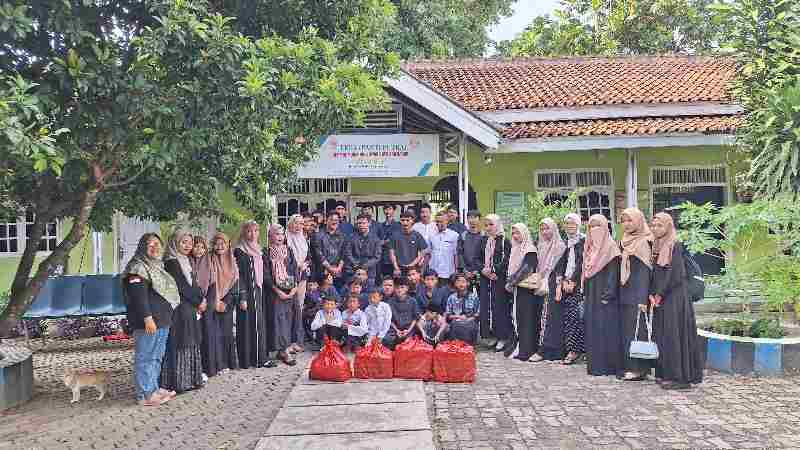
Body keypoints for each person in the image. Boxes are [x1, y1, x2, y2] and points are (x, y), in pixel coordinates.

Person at [650, 212, 704, 390]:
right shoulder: (657, 245)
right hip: (663, 297)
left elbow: (676, 274)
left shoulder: (675, 245)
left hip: (675, 297)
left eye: (660, 225)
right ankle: (667, 373)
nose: (655, 228)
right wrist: (653, 293)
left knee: (675, 335)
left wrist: (659, 293)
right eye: (653, 225)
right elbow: (656, 272)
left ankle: (680, 378)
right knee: (664, 335)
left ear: (668, 227)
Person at [123, 233, 178, 406]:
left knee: (156, 357)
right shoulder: (137, 268)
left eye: (157, 244)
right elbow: (138, 297)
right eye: (150, 244)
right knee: (146, 357)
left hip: (161, 320)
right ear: (142, 247)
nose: (154, 247)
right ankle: (145, 395)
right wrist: (148, 319)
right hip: (148, 322)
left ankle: (153, 388)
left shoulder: (157, 266)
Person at [160, 229, 206, 394]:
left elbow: (194, 284)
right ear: (175, 243)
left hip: (189, 307)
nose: (187, 246)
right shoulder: (171, 262)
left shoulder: (185, 260)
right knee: (182, 341)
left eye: (190, 242)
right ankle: (179, 381)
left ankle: (192, 379)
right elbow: (181, 286)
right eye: (183, 242)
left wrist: (201, 299)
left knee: (190, 341)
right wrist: (199, 301)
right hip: (179, 308)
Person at [582, 214, 623, 377]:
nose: (594, 230)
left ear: (606, 228)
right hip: (592, 295)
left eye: (598, 226)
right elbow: (586, 273)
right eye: (591, 227)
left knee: (605, 330)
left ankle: (607, 366)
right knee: (593, 330)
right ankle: (595, 365)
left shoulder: (611, 247)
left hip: (606, 298)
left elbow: (613, 274)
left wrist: (607, 295)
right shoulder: (589, 248)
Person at [196, 232, 241, 377]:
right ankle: (215, 365)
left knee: (226, 334)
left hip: (226, 303)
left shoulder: (232, 260)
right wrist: (214, 300)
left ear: (228, 245)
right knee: (213, 335)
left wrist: (225, 302)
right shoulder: (208, 259)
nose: (220, 246)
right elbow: (207, 281)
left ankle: (227, 363)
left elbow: (235, 283)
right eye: (216, 243)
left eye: (223, 243)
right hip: (211, 302)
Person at [234, 221, 278, 369]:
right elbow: (238, 276)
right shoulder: (239, 251)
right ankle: (249, 359)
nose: (252, 234)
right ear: (244, 233)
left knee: (259, 324)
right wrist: (242, 296)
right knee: (249, 325)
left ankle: (261, 357)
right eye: (249, 231)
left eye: (255, 231)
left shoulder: (259, 249)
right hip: (247, 293)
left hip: (259, 290)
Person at [619, 208, 655, 381]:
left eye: (630, 220)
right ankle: (629, 366)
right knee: (627, 331)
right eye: (623, 221)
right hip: (625, 291)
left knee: (638, 331)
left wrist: (642, 299)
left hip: (638, 294)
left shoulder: (644, 241)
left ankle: (639, 368)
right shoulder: (624, 241)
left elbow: (644, 272)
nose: (626, 224)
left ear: (639, 221)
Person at [530, 218, 567, 362]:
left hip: (553, 285)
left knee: (550, 319)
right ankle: (545, 349)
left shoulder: (560, 246)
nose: (545, 232)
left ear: (554, 229)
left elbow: (559, 268)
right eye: (542, 229)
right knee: (543, 318)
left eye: (547, 228)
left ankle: (545, 350)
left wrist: (556, 285)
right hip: (541, 284)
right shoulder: (541, 245)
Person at [553, 213, 586, 365]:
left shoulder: (584, 241)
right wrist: (560, 282)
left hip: (579, 286)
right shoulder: (566, 243)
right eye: (567, 223)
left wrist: (572, 281)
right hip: (566, 285)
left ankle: (576, 351)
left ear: (579, 224)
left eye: (573, 223)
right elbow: (560, 264)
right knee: (568, 319)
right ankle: (572, 349)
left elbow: (582, 264)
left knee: (577, 318)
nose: (570, 226)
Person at [504, 223, 540, 360]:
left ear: (524, 233)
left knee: (525, 319)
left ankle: (526, 349)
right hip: (517, 289)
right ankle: (518, 346)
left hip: (526, 290)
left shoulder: (530, 249)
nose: (515, 236)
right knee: (517, 318)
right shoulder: (515, 249)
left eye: (518, 232)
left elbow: (527, 269)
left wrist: (511, 282)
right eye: (513, 233)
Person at [264, 224, 299, 366]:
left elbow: (294, 269)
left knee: (289, 319)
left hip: (290, 290)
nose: (280, 237)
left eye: (282, 234)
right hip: (275, 293)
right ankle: (283, 350)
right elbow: (265, 275)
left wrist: (295, 287)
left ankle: (285, 349)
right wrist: (277, 290)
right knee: (278, 321)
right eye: (277, 234)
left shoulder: (288, 250)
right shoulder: (266, 252)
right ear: (270, 236)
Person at [481, 214, 512, 352]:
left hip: (500, 280)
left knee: (501, 309)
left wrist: (494, 270)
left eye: (491, 224)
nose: (488, 228)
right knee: (490, 308)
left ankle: (503, 337)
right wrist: (484, 271)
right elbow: (477, 258)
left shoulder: (505, 241)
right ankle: (493, 335)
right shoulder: (485, 241)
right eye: (486, 225)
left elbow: (507, 260)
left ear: (498, 225)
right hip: (486, 279)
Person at [287, 214, 311, 354]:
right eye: (296, 223)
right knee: (289, 308)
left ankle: (296, 341)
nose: (298, 226)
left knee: (299, 308)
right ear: (290, 223)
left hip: (302, 276)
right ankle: (288, 341)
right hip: (289, 277)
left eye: (301, 223)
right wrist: (297, 266)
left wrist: (305, 264)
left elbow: (308, 257)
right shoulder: (285, 239)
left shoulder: (303, 239)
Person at [344, 213, 382, 286]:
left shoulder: (376, 239)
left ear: (369, 223)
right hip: (354, 271)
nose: (361, 225)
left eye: (364, 223)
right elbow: (348, 253)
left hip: (369, 273)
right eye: (359, 223)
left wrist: (364, 267)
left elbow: (377, 257)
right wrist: (356, 264)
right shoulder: (351, 238)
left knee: (369, 291)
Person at [313, 211, 347, 290]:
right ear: (326, 221)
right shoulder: (318, 235)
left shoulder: (342, 236)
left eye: (336, 220)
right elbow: (319, 255)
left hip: (338, 272)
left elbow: (344, 254)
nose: (334, 222)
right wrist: (330, 268)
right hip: (323, 272)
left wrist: (339, 268)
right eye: (331, 219)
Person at [445, 273, 480, 345]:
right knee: (454, 324)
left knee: (471, 325)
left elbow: (477, 314)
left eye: (463, 281)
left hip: (470, 320)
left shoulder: (474, 297)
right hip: (456, 320)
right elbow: (448, 315)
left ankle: (469, 344)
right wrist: (458, 317)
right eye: (458, 281)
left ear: (468, 283)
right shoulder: (451, 297)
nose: (461, 284)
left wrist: (467, 319)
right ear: (455, 284)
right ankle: (455, 344)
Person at [390, 211, 427, 277]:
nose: (405, 222)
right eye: (403, 220)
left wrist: (413, 264)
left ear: (412, 221)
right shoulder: (395, 235)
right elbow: (392, 253)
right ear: (400, 221)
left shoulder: (417, 235)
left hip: (413, 269)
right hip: (399, 269)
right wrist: (396, 267)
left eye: (407, 220)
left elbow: (423, 252)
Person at [384, 278, 418, 349]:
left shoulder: (413, 301)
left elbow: (415, 318)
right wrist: (397, 330)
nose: (399, 290)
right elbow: (389, 320)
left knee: (409, 344)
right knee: (387, 339)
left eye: (402, 287)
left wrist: (408, 330)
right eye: (397, 288)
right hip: (394, 329)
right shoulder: (390, 302)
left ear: (407, 288)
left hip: (409, 329)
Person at [429, 210, 460, 286]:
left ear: (447, 221)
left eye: (441, 221)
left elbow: (456, 254)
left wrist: (456, 270)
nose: (439, 224)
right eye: (437, 221)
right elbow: (428, 254)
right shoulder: (431, 235)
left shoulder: (454, 235)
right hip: (433, 272)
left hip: (447, 273)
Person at [458, 210, 484, 293]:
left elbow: (485, 255)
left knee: (481, 295)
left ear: (479, 219)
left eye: (474, 217)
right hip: (465, 272)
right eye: (469, 218)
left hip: (480, 272)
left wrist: (477, 270)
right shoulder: (463, 235)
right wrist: (464, 269)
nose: (472, 220)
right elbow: (460, 253)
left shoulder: (484, 236)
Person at [378, 204, 401, 278]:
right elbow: (377, 241)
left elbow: (397, 240)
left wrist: (384, 242)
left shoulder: (398, 225)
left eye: (390, 209)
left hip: (394, 258)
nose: (387, 211)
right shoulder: (380, 226)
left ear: (394, 211)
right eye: (386, 209)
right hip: (382, 258)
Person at [412, 203, 437, 269]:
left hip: (434, 258)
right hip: (419, 259)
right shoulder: (415, 227)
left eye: (427, 212)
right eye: (422, 212)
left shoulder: (436, 226)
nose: (424, 214)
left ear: (430, 213)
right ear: (420, 214)